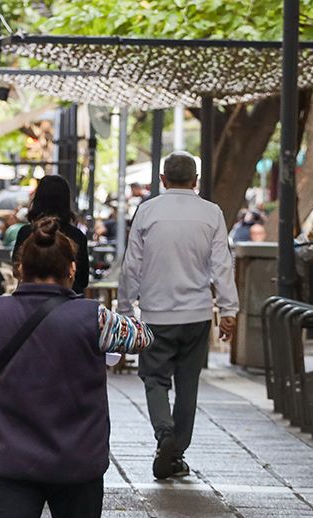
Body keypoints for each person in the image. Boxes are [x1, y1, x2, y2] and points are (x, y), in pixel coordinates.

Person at [0, 217, 154, 518]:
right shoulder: (95, 318)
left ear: (21, 269)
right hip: (78, 462)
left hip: (14, 461)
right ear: (71, 269)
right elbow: (143, 337)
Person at [119, 151, 238, 480]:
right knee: (188, 383)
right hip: (196, 315)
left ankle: (164, 434)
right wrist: (229, 310)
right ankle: (176, 452)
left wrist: (126, 310)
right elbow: (222, 265)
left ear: (162, 179)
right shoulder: (211, 213)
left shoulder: (147, 211)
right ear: (196, 180)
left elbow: (131, 266)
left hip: (156, 313)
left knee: (154, 378)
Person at [13, 175, 90, 295]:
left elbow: (17, 271)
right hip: (69, 304)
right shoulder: (77, 236)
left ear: (38, 199)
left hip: (29, 302)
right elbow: (83, 280)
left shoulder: (26, 233)